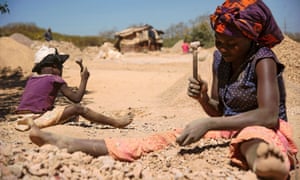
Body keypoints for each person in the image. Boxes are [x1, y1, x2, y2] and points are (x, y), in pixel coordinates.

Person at [28, 1, 298, 179]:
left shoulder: (263, 59)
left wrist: (209, 122)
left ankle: (265, 162)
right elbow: (220, 111)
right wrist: (204, 99)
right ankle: (69, 144)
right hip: (228, 126)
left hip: (263, 128)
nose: (224, 50)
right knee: (158, 139)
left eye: (231, 44)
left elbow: (268, 115)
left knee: (253, 137)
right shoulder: (219, 60)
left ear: (250, 38)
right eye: (218, 42)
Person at [15, 46, 133, 131]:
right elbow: (76, 99)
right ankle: (116, 122)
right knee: (78, 109)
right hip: (37, 118)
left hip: (21, 117)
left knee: (66, 111)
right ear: (55, 66)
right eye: (61, 67)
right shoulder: (54, 79)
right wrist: (84, 79)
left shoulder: (32, 79)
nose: (62, 70)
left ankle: (73, 120)